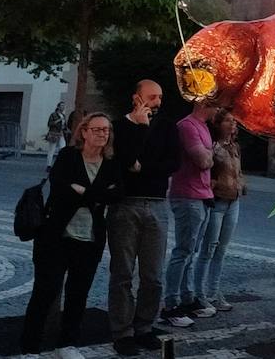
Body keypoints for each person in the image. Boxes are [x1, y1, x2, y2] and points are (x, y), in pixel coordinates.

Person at [20, 113, 121, 357]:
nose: (102, 134)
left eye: (106, 130)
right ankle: (30, 347)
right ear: (84, 132)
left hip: (90, 239)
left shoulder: (111, 163)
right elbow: (61, 190)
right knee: (45, 292)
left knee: (78, 293)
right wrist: (97, 195)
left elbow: (117, 195)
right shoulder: (68, 157)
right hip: (56, 237)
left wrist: (84, 192)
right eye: (96, 129)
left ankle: (67, 344)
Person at [108, 80, 182, 356]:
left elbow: (173, 163)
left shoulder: (166, 127)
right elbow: (122, 161)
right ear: (136, 97)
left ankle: (145, 327)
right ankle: (122, 331)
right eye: (152, 97)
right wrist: (139, 128)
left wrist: (144, 168)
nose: (157, 102)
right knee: (122, 272)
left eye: (160, 97)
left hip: (157, 203)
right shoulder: (119, 127)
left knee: (153, 274)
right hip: (125, 205)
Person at [163, 102, 219, 324]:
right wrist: (209, 154)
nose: (218, 110)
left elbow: (208, 158)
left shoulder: (202, 126)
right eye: (215, 104)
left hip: (202, 196)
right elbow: (204, 160)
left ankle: (187, 298)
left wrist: (209, 155)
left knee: (192, 251)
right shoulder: (187, 126)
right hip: (187, 195)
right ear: (204, 103)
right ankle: (171, 303)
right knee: (183, 251)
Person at [195, 110, 244, 311]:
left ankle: (214, 292)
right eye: (228, 121)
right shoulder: (213, 147)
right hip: (217, 201)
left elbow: (238, 171)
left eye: (233, 121)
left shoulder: (234, 147)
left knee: (221, 250)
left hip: (234, 200)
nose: (232, 124)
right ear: (218, 124)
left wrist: (241, 183)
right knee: (208, 249)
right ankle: (199, 293)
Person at [44, 102, 67, 169]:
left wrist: (66, 129)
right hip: (54, 133)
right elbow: (49, 124)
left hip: (61, 133)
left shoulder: (63, 115)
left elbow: (64, 125)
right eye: (62, 106)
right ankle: (49, 165)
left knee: (63, 149)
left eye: (64, 106)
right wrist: (58, 120)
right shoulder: (53, 115)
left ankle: (61, 165)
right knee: (52, 150)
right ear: (58, 107)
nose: (63, 107)